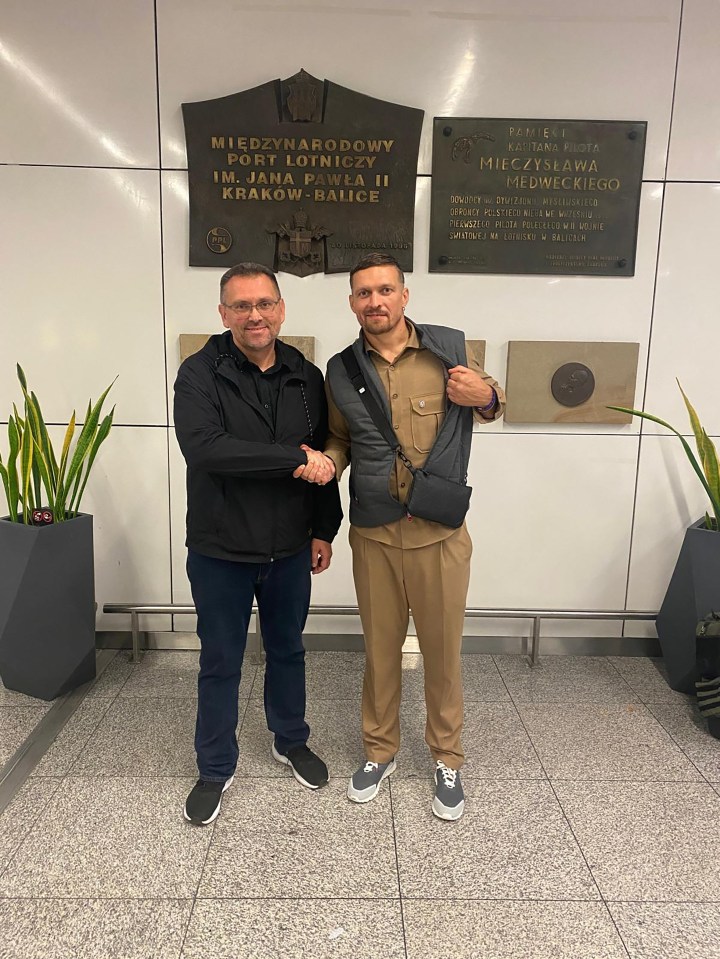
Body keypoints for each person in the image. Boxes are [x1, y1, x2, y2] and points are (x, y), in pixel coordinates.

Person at [295, 252, 504, 821]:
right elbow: (341, 441)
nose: (375, 302)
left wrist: (482, 396)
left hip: (439, 536)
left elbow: (495, 402)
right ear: (352, 303)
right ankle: (379, 751)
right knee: (380, 652)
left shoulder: (449, 351)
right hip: (377, 536)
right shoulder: (341, 370)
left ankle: (447, 757)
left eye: (385, 290)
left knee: (442, 654)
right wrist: (325, 462)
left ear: (404, 296)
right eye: (363, 293)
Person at [174, 262, 342, 826]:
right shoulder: (199, 374)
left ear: (281, 309)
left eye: (264, 303)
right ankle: (214, 767)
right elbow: (208, 450)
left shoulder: (305, 374)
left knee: (288, 649)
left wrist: (323, 528)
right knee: (221, 661)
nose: (254, 315)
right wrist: (292, 458)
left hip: (290, 546)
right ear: (223, 314)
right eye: (241, 306)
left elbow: (324, 456)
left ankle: (290, 739)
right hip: (220, 549)